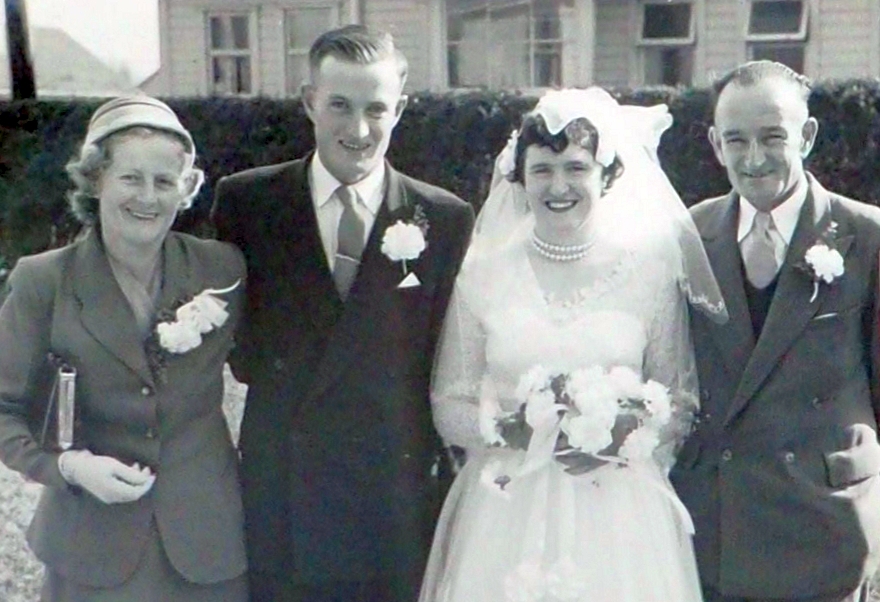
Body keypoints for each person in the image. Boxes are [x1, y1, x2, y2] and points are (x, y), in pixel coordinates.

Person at [419, 87, 728, 602]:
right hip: (504, 507)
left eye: (576, 168)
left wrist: (615, 429)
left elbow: (679, 400)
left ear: (606, 175)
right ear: (519, 177)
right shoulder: (482, 274)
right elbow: (449, 401)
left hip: (618, 509)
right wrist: (521, 430)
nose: (558, 185)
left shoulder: (648, 273)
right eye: (542, 169)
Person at [211, 25, 475, 602]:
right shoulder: (246, 204)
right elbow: (243, 348)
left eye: (375, 109)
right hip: (285, 493)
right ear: (309, 102)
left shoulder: (445, 218)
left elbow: (447, 360)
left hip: (394, 499)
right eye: (339, 106)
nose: (357, 130)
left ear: (400, 109)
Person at [0, 95, 248, 600]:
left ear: (186, 190)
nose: (148, 198)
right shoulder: (43, 280)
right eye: (131, 178)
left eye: (165, 181)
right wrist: (69, 467)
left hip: (208, 546)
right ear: (95, 182)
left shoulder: (223, 270)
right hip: (93, 549)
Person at [670, 60, 880, 602]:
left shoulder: (867, 236)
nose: (754, 158)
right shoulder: (689, 234)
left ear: (806, 136)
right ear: (716, 145)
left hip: (824, 525)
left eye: (773, 137)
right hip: (717, 522)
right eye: (736, 140)